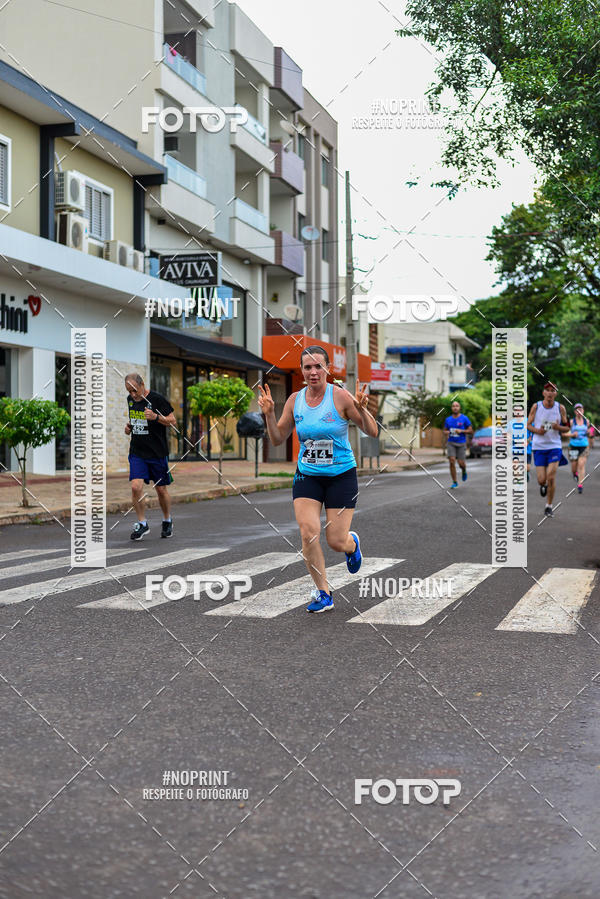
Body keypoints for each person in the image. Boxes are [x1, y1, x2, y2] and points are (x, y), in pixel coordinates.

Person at [257, 346, 377, 613]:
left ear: (327, 369)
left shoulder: (341, 397)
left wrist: (363, 410)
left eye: (318, 366)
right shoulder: (294, 401)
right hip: (307, 475)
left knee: (335, 540)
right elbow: (277, 438)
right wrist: (269, 415)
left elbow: (372, 431)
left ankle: (351, 544)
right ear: (302, 371)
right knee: (308, 534)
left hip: (341, 476)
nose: (313, 372)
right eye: (308, 367)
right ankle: (324, 593)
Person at [124, 373, 177, 540]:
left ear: (142, 385)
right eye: (129, 391)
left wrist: (156, 417)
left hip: (157, 453)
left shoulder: (157, 399)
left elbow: (172, 421)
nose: (132, 394)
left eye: (134, 390)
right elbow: (136, 421)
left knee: (161, 489)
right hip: (137, 452)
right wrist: (129, 428)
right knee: (135, 487)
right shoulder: (130, 400)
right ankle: (142, 523)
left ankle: (167, 520)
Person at [527, 382, 570, 517]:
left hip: (554, 446)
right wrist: (538, 431)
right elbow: (528, 425)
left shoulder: (560, 408)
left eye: (553, 390)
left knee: (551, 477)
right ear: (543, 393)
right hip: (539, 447)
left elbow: (567, 428)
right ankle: (543, 485)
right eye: (548, 390)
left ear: (556, 393)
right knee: (541, 479)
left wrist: (558, 427)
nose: (550, 393)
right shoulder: (536, 406)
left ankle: (549, 506)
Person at [443, 400, 473, 488]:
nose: (455, 407)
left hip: (461, 443)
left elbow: (471, 430)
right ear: (451, 408)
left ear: (459, 408)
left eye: (457, 406)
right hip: (451, 442)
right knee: (452, 461)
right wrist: (447, 432)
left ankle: (464, 470)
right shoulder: (448, 419)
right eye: (453, 406)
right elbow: (444, 430)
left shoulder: (464, 418)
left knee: (461, 463)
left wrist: (461, 431)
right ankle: (455, 482)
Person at [565, 403, 589, 494]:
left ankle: (580, 484)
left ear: (583, 411)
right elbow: (565, 433)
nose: (579, 411)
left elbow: (589, 432)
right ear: (575, 412)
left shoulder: (587, 421)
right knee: (574, 467)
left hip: (584, 446)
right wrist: (572, 434)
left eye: (581, 409)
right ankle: (575, 474)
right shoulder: (571, 422)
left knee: (581, 465)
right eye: (577, 410)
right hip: (573, 446)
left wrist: (589, 433)